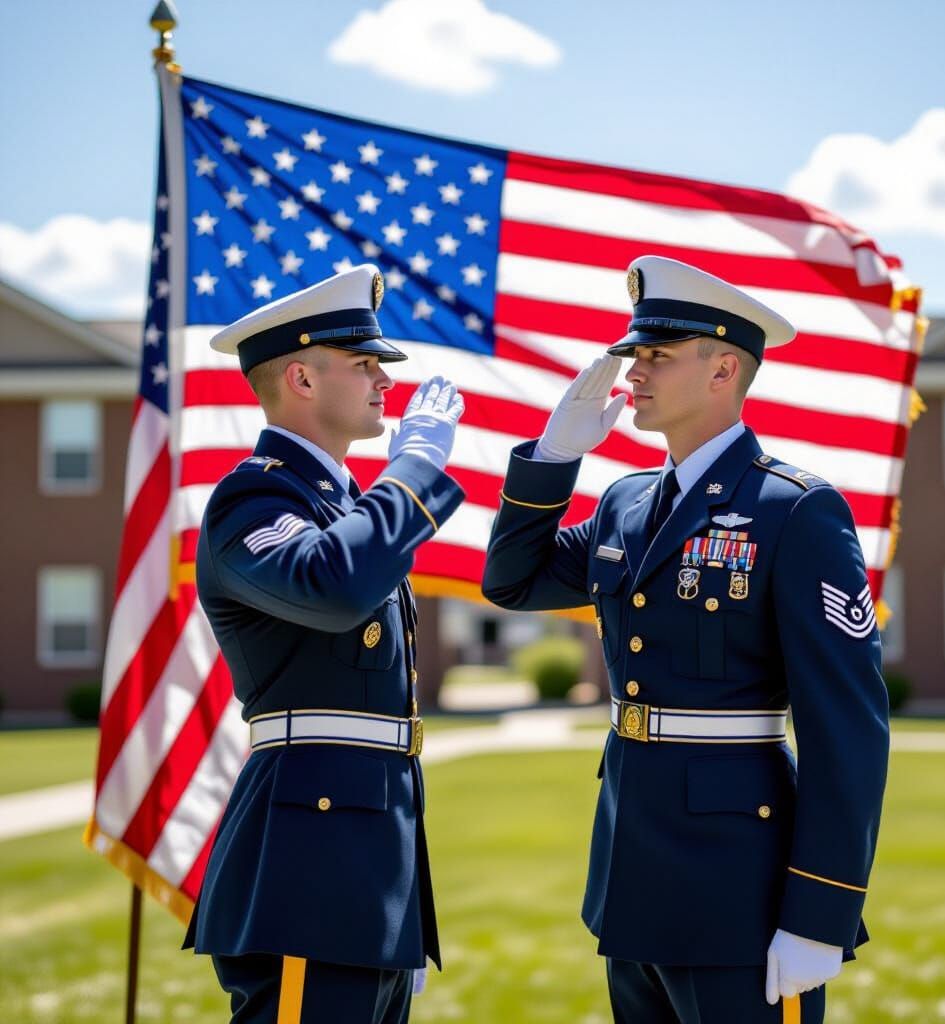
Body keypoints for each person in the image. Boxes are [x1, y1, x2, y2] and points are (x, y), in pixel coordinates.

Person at [482, 255, 889, 1023]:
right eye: (635, 355)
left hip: (742, 886)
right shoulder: (626, 502)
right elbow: (514, 580)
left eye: (657, 356)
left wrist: (820, 911)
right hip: (632, 876)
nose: (632, 373)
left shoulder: (796, 510)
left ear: (724, 368)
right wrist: (553, 458)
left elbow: (849, 732)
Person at [183, 264, 466, 1024]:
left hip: (364, 869)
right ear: (302, 379)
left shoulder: (344, 505)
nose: (383, 380)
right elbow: (333, 586)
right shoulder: (255, 497)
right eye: (364, 362)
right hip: (309, 868)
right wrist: (414, 471)